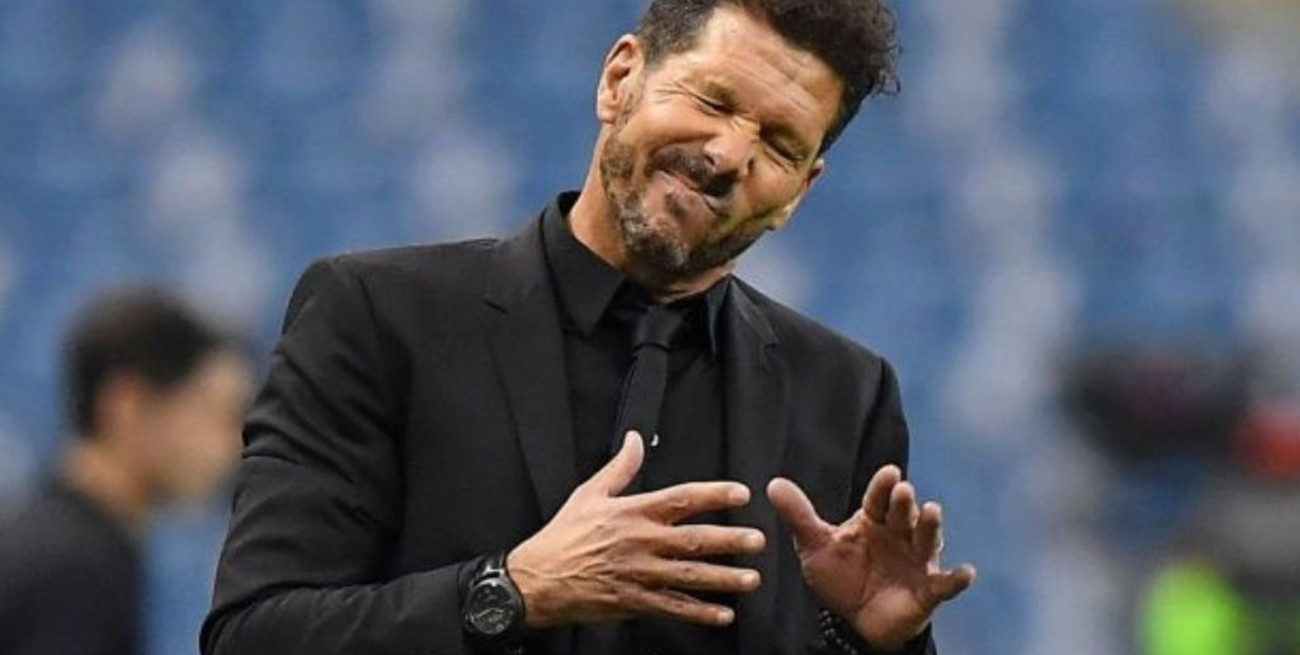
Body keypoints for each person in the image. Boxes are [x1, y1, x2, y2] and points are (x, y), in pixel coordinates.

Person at [202, 1, 976, 654]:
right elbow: (255, 633)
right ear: (619, 79)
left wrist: (871, 642)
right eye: (713, 101)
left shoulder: (845, 392)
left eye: (779, 144)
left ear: (801, 189)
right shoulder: (378, 315)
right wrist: (512, 589)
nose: (729, 154)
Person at [0, 289, 253, 655]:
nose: (236, 447)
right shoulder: (75, 570)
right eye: (220, 416)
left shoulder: (54, 543)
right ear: (128, 407)